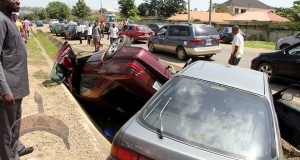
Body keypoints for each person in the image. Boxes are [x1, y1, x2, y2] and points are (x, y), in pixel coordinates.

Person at [0, 0, 34, 159]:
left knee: (14, 125)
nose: (18, 0)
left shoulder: (9, 18)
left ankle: (16, 149)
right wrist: (4, 90)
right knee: (6, 131)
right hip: (8, 86)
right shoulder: (0, 20)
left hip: (16, 85)